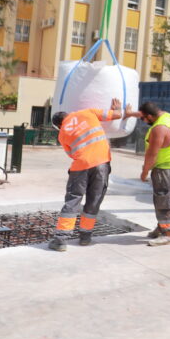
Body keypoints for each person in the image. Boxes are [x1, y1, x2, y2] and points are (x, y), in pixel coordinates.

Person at [48, 98, 141, 252]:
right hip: (101, 164)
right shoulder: (87, 112)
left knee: (72, 201)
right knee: (94, 200)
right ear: (68, 114)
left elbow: (72, 154)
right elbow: (116, 115)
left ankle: (60, 240)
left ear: (59, 125)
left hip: (80, 167)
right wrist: (117, 108)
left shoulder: (62, 134)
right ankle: (85, 237)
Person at [138, 101, 170, 246]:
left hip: (165, 169)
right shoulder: (168, 116)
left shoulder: (158, 129)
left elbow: (151, 155)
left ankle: (168, 234)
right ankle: (161, 226)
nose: (143, 121)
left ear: (150, 116)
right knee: (162, 198)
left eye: (143, 118)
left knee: (164, 200)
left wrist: (144, 172)